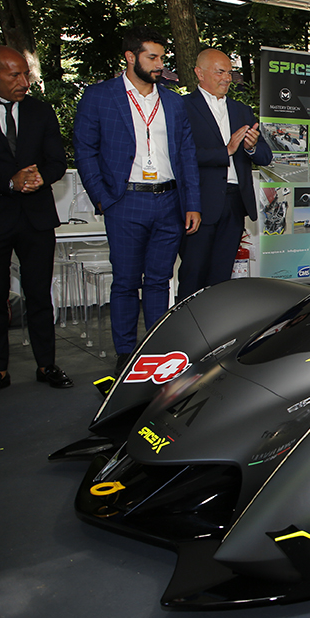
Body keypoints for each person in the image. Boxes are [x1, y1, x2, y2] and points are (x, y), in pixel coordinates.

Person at [73, 26, 201, 373]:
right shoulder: (100, 96)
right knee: (127, 281)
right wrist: (102, 197)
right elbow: (85, 150)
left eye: (162, 57)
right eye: (152, 57)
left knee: (160, 280)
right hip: (124, 201)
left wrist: (192, 203)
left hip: (169, 202)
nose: (160, 64)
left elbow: (186, 154)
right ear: (131, 57)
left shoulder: (173, 101)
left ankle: (156, 350)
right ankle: (127, 353)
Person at [0, 46, 73, 399]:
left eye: (26, 73)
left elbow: (57, 159)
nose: (24, 82)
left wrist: (41, 176)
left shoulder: (40, 111)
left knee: (39, 294)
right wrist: (8, 182)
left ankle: (47, 364)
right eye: (14, 75)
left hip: (36, 218)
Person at [178, 49, 272, 299]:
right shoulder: (183, 107)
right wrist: (226, 151)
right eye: (220, 72)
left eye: (230, 73)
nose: (227, 78)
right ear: (199, 73)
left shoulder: (241, 110)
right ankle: (186, 331)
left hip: (233, 204)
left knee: (221, 277)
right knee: (193, 273)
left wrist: (251, 147)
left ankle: (215, 330)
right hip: (199, 203)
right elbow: (180, 155)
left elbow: (265, 156)